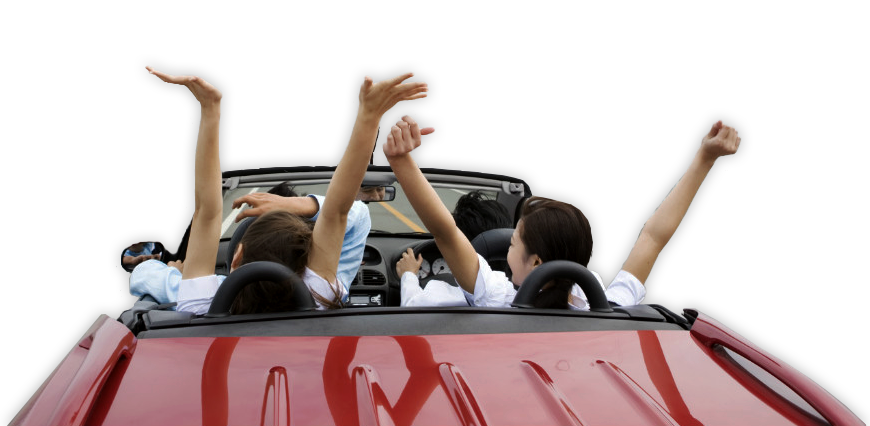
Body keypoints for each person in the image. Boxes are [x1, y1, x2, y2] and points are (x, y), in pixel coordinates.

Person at [139, 66, 428, 315]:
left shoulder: (200, 302)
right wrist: (370, 115)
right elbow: (340, 210)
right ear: (306, 263)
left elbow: (207, 211)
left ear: (237, 256)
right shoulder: (320, 296)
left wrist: (210, 107)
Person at [384, 115, 741, 309]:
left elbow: (446, 231)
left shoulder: (497, 297)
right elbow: (652, 238)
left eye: (514, 242)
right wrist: (705, 158)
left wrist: (401, 160)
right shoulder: (607, 306)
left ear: (537, 262)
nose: (508, 246)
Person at [395, 190, 516, 307]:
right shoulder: (515, 294)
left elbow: (411, 306)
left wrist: (408, 274)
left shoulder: (445, 296)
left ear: (460, 245)